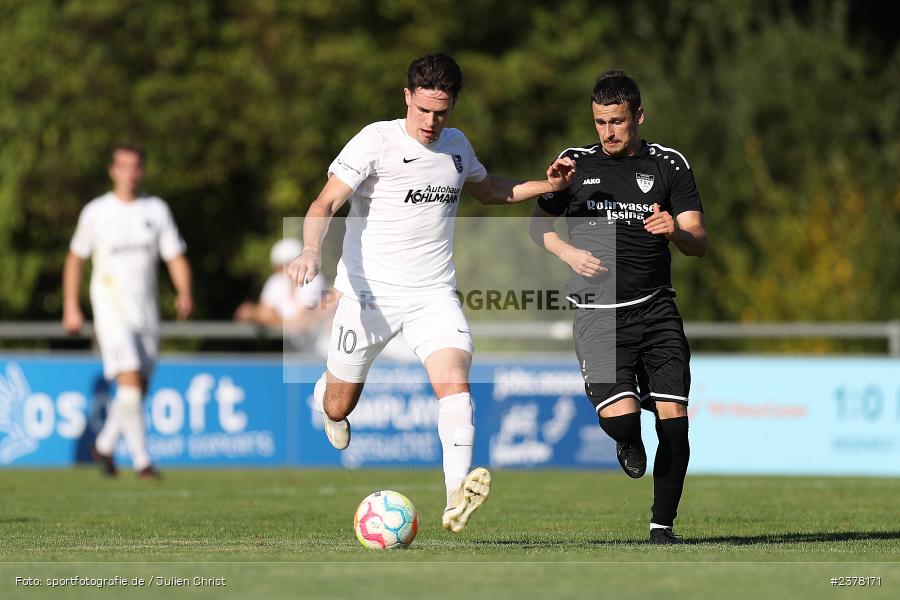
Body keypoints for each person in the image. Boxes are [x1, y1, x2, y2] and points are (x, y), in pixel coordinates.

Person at [288, 53, 575, 533]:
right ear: (407, 97)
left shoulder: (457, 146)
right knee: (338, 406)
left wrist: (548, 184)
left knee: (455, 385)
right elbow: (325, 201)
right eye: (423, 110)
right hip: (367, 298)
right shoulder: (375, 141)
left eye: (441, 112)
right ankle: (327, 394)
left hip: (432, 294)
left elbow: (488, 191)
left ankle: (454, 497)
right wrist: (310, 252)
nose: (430, 122)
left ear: (453, 105)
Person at [530, 70, 707, 544]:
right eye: (600, 122)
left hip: (656, 309)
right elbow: (538, 227)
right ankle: (628, 436)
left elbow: (698, 240)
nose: (607, 132)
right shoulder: (573, 165)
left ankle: (662, 528)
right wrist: (569, 254)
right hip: (596, 315)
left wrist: (676, 231)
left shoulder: (669, 164)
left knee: (675, 421)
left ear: (638, 117)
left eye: (617, 121)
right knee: (624, 420)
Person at [62, 145, 193, 479]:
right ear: (112, 170)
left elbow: (174, 255)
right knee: (130, 377)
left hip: (145, 311)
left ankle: (104, 445)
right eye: (123, 166)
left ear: (142, 170)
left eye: (135, 166)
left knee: (138, 387)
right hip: (111, 308)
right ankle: (142, 461)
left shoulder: (156, 209)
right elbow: (76, 258)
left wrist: (184, 292)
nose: (130, 173)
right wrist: (71, 305)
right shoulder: (96, 211)